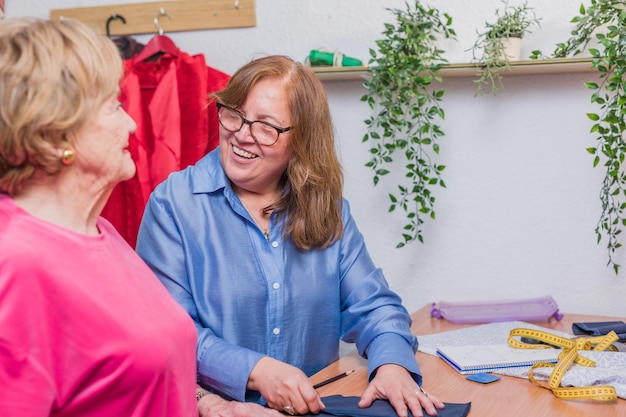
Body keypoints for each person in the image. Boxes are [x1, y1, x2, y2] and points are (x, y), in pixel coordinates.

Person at [136, 54, 445, 417]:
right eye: (233, 112)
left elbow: (375, 306)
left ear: (301, 141)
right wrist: (256, 371)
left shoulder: (327, 209)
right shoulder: (173, 205)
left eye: (266, 126)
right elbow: (172, 334)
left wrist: (392, 365)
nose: (241, 134)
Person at [0, 17, 279, 417]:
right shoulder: (13, 265)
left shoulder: (101, 231)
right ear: (59, 133)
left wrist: (214, 406)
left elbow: (137, 376)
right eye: (114, 106)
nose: (131, 124)